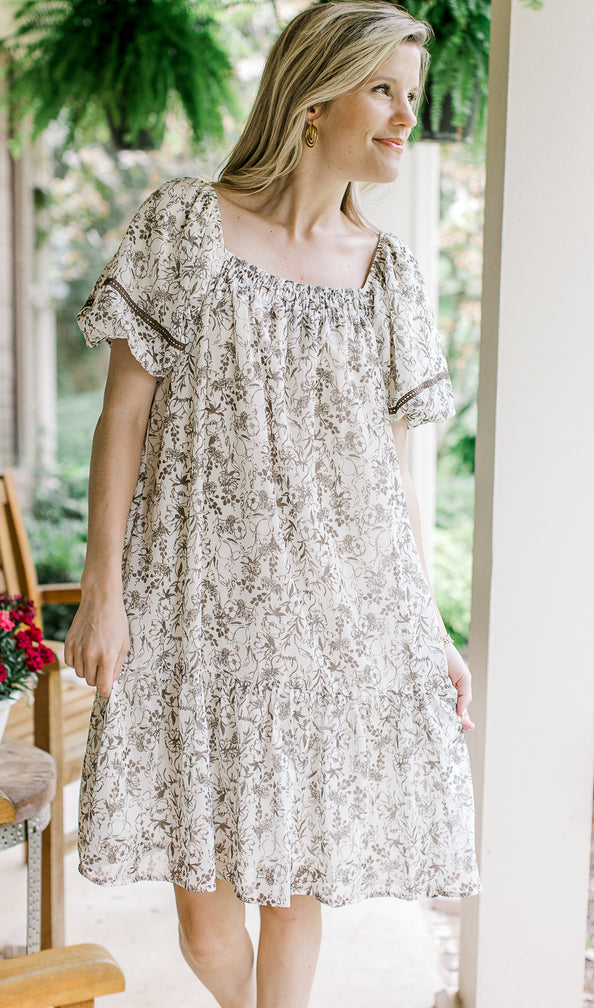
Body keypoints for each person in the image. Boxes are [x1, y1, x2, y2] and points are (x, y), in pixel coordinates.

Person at [65, 2, 482, 1005]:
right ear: (311, 100)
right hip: (195, 606)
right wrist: (103, 590)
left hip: (329, 618)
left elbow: (386, 480)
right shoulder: (186, 225)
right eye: (384, 90)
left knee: (295, 890)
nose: (403, 118)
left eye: (412, 97)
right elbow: (122, 417)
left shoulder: (387, 275)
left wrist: (425, 625)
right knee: (207, 927)